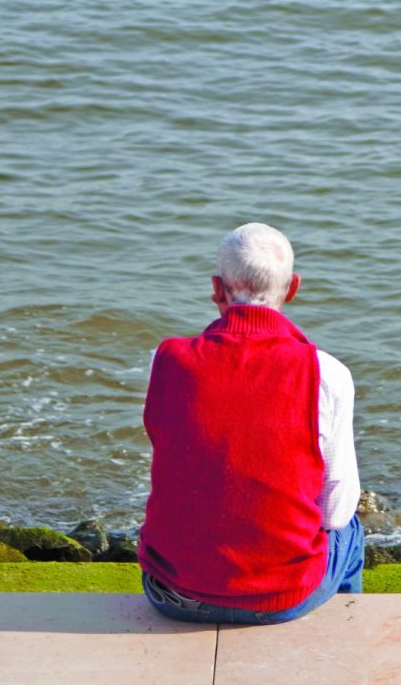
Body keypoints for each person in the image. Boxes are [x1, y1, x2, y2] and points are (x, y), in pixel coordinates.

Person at [138, 222, 363, 624]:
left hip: (171, 592)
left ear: (217, 289)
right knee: (351, 532)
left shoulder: (167, 361)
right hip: (280, 598)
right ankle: (344, 637)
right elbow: (336, 511)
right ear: (292, 288)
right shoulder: (326, 373)